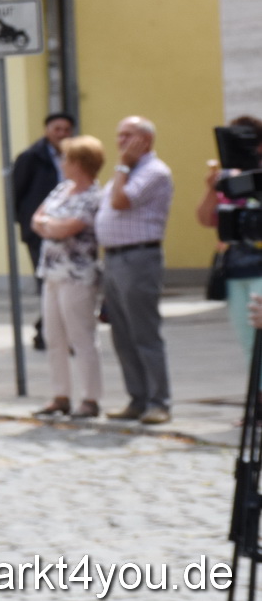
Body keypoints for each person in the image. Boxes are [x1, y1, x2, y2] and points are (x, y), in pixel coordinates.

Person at [95, 115, 174, 424]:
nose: (121, 141)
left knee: (144, 333)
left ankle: (159, 402)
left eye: (129, 135)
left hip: (139, 258)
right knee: (122, 335)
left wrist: (123, 166)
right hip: (114, 258)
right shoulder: (125, 172)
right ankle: (137, 398)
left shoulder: (154, 171)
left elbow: (120, 202)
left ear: (146, 140)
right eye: (119, 135)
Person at [30, 135, 106, 419]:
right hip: (51, 271)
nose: (62, 163)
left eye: (66, 158)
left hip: (77, 274)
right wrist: (51, 225)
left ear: (80, 163)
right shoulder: (62, 189)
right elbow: (36, 219)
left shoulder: (93, 196)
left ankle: (90, 398)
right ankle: (60, 395)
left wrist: (49, 226)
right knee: (53, 335)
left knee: (80, 336)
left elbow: (69, 228)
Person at [196, 116, 262, 360]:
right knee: (248, 342)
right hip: (235, 269)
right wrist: (211, 188)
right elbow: (205, 219)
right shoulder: (227, 178)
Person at [13, 112, 75, 350]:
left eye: (66, 129)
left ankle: (46, 331)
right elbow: (16, 193)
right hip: (40, 230)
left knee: (64, 282)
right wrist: (27, 224)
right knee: (48, 282)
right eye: (57, 129)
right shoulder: (32, 157)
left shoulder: (73, 156)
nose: (62, 134)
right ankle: (51, 333)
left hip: (67, 228)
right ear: (47, 130)